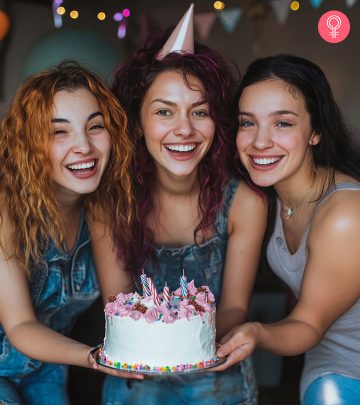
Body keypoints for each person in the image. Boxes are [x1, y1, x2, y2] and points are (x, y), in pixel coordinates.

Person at [90, 5, 267, 405]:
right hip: (133, 382)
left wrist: (185, 345)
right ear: (137, 122)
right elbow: (118, 310)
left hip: (217, 377)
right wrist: (160, 349)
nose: (184, 129)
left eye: (199, 111)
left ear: (216, 120)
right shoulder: (111, 204)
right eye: (164, 112)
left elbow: (236, 305)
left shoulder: (244, 202)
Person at [214, 54, 360, 404]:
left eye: (282, 123)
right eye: (248, 123)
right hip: (325, 364)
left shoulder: (346, 214)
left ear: (315, 132)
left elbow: (309, 323)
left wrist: (257, 333)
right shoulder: (271, 196)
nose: (260, 142)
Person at [0, 61, 143, 405]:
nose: (84, 146)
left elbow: (120, 306)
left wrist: (171, 325)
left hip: (48, 368)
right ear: (29, 143)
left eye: (95, 127)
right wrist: (94, 357)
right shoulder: (5, 208)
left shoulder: (101, 208)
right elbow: (20, 326)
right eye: (58, 131)